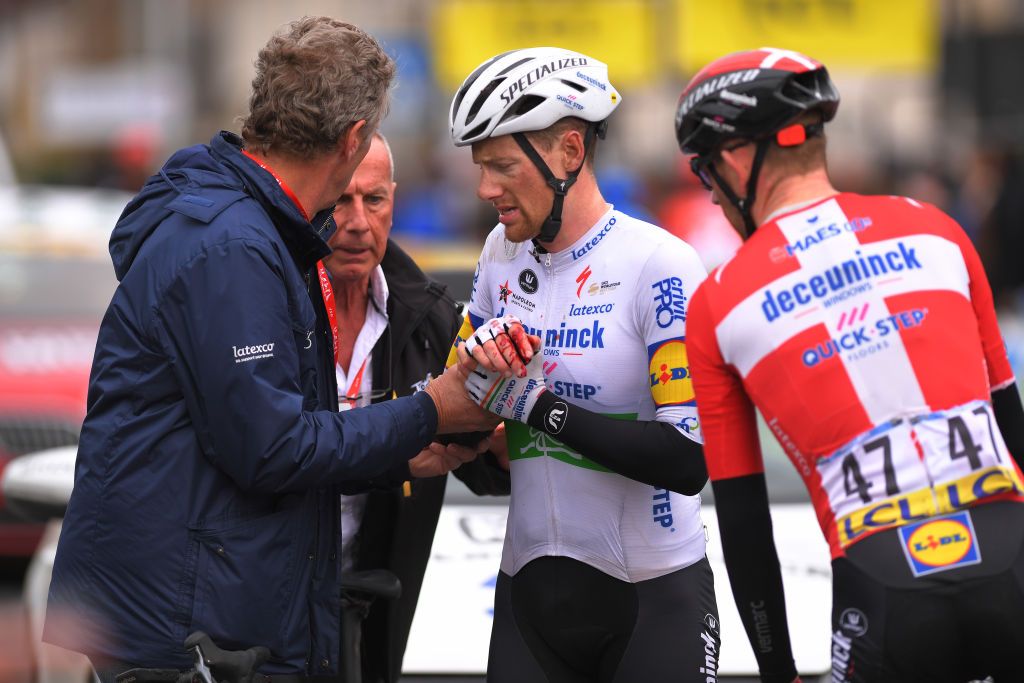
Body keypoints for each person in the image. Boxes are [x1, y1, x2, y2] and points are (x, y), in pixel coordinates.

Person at [43, 17, 497, 682]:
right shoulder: (235, 245)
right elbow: (271, 449)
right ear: (351, 140)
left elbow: (238, 444)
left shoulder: (248, 225)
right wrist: (431, 409)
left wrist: (401, 451)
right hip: (194, 639)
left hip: (205, 624)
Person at [676, 47, 1024, 683]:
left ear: (734, 159)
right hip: (1013, 565)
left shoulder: (717, 302)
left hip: (883, 592)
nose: (715, 200)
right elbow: (1012, 423)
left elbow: (745, 523)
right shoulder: (937, 228)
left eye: (704, 175)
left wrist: (778, 672)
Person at [447, 47, 719, 682]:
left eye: (503, 167)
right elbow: (465, 410)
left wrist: (535, 406)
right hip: (527, 597)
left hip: (651, 599)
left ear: (570, 152)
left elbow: (687, 460)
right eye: (479, 168)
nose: (486, 189)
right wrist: (475, 381)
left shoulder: (660, 266)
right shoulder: (499, 252)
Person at [323, 131, 510, 682]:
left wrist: (503, 447)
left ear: (394, 200)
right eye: (340, 199)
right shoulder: (269, 314)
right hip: (268, 609)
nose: (357, 221)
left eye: (374, 199)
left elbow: (480, 468)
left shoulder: (433, 321)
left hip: (375, 615)